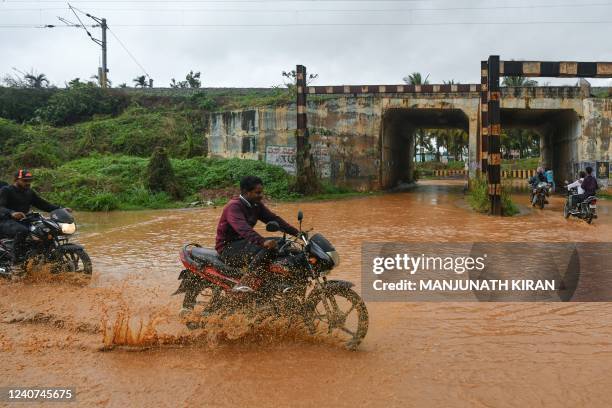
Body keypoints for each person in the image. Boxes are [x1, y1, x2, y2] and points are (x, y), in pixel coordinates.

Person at [215, 175, 299, 292]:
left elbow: (274, 219)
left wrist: (298, 234)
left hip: (244, 244)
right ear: (246, 192)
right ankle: (246, 281)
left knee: (282, 243)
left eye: (261, 192)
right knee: (269, 247)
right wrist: (262, 241)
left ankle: (271, 284)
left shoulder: (256, 205)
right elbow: (243, 229)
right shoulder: (234, 207)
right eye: (257, 192)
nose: (261, 196)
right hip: (228, 248)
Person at [0, 169, 67, 271]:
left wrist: (60, 208)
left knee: (43, 230)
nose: (28, 183)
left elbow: (43, 204)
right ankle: (16, 262)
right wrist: (12, 213)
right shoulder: (6, 190)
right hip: (5, 220)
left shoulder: (29, 192)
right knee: (22, 231)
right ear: (16, 180)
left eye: (29, 180)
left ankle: (40, 256)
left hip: (23, 220)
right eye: (25, 180)